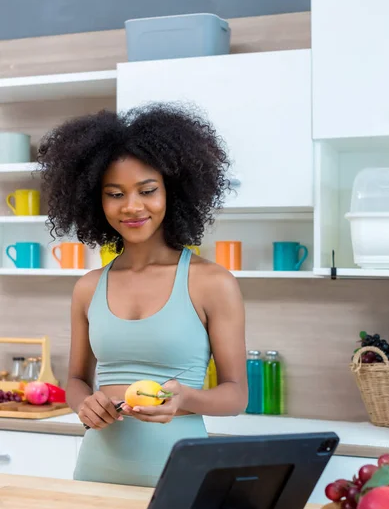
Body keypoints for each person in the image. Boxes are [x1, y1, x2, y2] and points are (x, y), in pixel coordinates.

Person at [38, 103, 248, 487]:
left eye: (147, 190)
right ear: (96, 202)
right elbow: (75, 380)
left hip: (178, 475)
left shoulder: (211, 282)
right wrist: (85, 405)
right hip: (96, 471)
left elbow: (235, 395)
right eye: (115, 194)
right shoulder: (88, 287)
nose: (132, 207)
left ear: (173, 191)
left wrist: (185, 398)